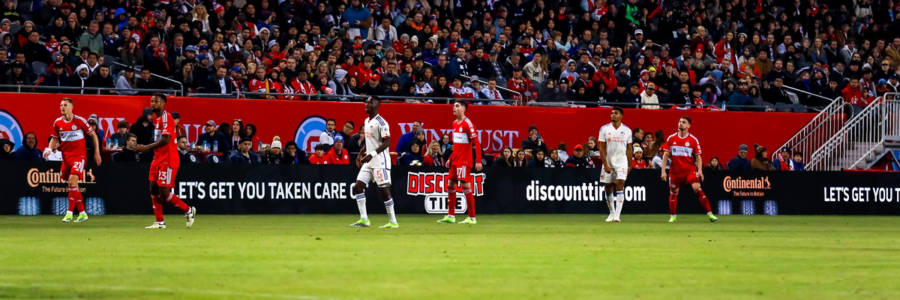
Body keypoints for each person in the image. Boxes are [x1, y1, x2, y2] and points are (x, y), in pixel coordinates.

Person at [134, 94, 196, 229]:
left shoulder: (166, 118)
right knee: (153, 189)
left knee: (164, 193)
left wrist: (146, 147)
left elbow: (165, 140)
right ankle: (159, 222)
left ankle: (188, 210)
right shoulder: (157, 119)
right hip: (157, 158)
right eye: (152, 101)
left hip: (168, 159)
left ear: (163, 103)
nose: (153, 103)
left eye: (156, 101)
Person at [350, 96, 399, 229]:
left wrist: (371, 154)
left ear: (377, 105)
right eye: (366, 102)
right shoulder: (367, 121)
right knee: (357, 187)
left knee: (384, 191)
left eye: (370, 102)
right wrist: (360, 153)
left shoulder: (381, 123)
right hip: (369, 161)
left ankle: (393, 221)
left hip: (380, 162)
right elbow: (369, 141)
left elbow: (387, 142)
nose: (367, 104)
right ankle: (364, 219)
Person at [51, 97, 102, 223]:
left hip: (79, 156)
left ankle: (69, 213)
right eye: (61, 105)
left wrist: (97, 152)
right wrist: (49, 149)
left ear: (72, 107)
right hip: (66, 158)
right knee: (72, 185)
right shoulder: (57, 123)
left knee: (72, 180)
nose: (62, 107)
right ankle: (83, 213)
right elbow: (55, 138)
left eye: (65, 105)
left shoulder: (80, 121)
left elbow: (93, 135)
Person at [660, 116, 718, 223]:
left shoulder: (693, 140)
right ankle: (673, 217)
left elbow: (698, 157)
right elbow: (665, 155)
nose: (680, 123)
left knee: (697, 188)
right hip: (675, 172)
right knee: (674, 192)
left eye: (683, 122)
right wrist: (663, 171)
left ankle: (710, 214)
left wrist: (699, 171)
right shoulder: (671, 138)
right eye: (680, 121)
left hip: (689, 171)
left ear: (688, 126)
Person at [437, 100, 483, 225]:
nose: (454, 108)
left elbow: (476, 143)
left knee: (465, 186)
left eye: (457, 106)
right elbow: (457, 146)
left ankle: (472, 217)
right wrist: (450, 158)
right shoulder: (454, 123)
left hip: (464, 161)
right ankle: (451, 216)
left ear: (463, 108)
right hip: (455, 160)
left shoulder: (468, 124)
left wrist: (478, 161)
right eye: (453, 106)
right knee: (450, 185)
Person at [598, 107, 633, 222]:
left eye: (616, 113)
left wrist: (630, 164)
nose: (613, 115)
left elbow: (629, 148)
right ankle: (612, 213)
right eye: (612, 113)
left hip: (622, 162)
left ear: (621, 116)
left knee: (620, 184)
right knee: (608, 187)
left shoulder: (627, 130)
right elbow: (601, 147)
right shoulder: (604, 129)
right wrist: (605, 164)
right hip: (608, 161)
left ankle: (617, 215)